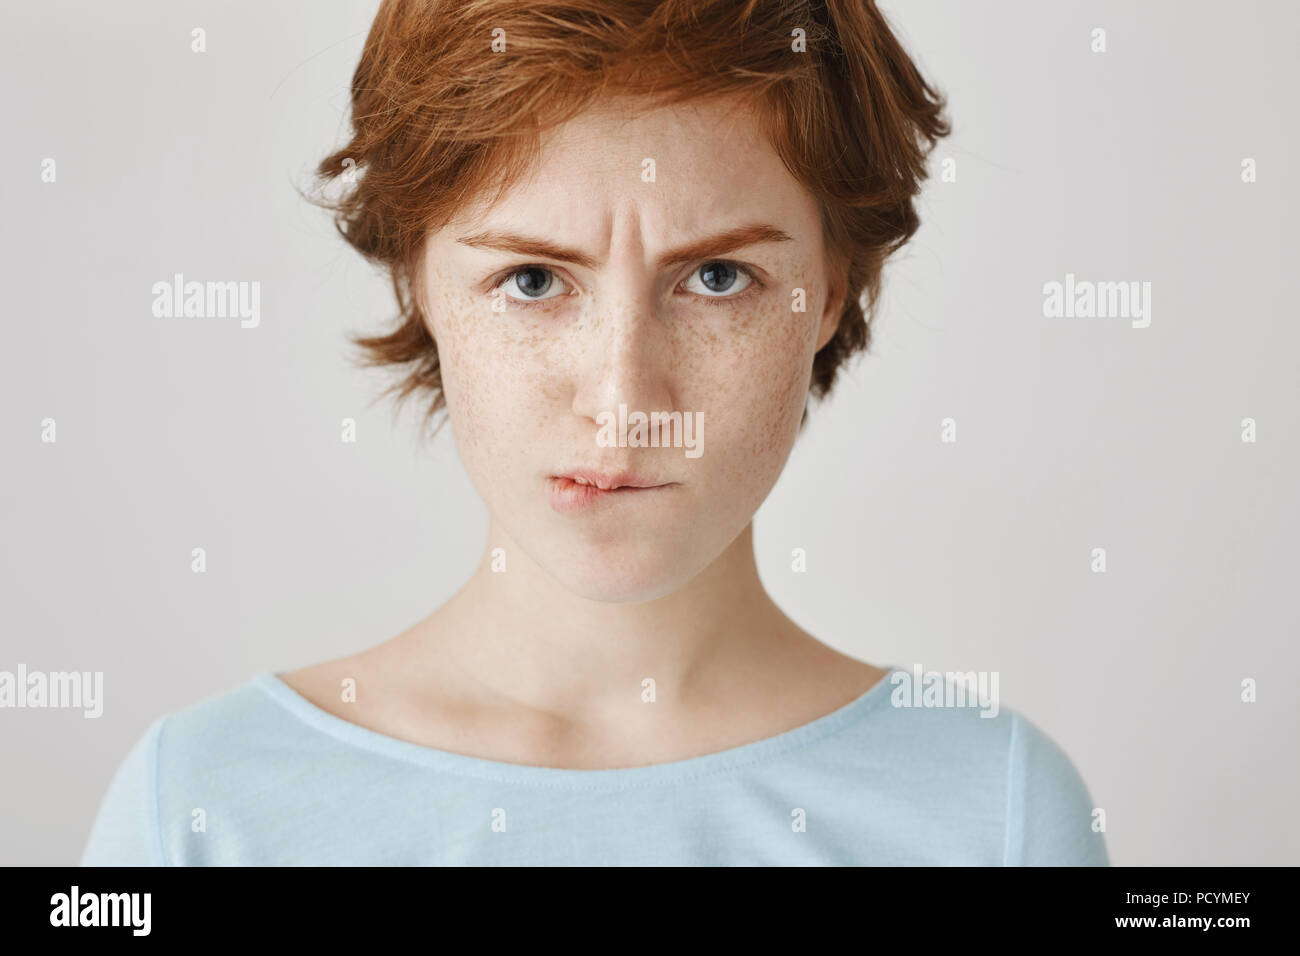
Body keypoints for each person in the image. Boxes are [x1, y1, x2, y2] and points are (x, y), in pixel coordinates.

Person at [81, 0, 1108, 866]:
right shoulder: (200, 813)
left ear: (829, 292)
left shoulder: (995, 815)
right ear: (420, 285)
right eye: (531, 280)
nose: (623, 399)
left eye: (716, 278)